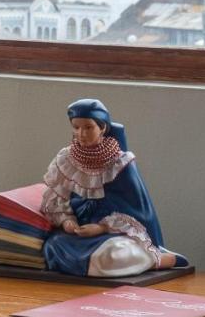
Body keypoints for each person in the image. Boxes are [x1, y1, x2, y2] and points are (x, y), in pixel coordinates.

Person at [40, 98, 186, 277]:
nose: (81, 134)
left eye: (88, 127)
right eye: (76, 127)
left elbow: (138, 211)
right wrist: (67, 221)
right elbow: (57, 198)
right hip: (78, 235)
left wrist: (101, 228)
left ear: (102, 128)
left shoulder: (120, 163)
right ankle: (134, 263)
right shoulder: (65, 159)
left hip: (113, 235)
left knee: (112, 255)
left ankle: (157, 260)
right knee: (52, 246)